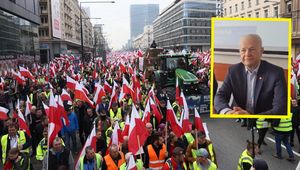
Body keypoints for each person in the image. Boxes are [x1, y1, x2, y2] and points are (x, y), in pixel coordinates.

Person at [214, 34, 287, 115]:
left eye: (252, 49)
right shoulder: (233, 71)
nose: (247, 54)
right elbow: (220, 96)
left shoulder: (276, 73)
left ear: (261, 51)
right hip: (237, 121)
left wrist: (251, 118)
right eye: (243, 50)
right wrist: (227, 112)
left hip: (263, 123)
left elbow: (280, 108)